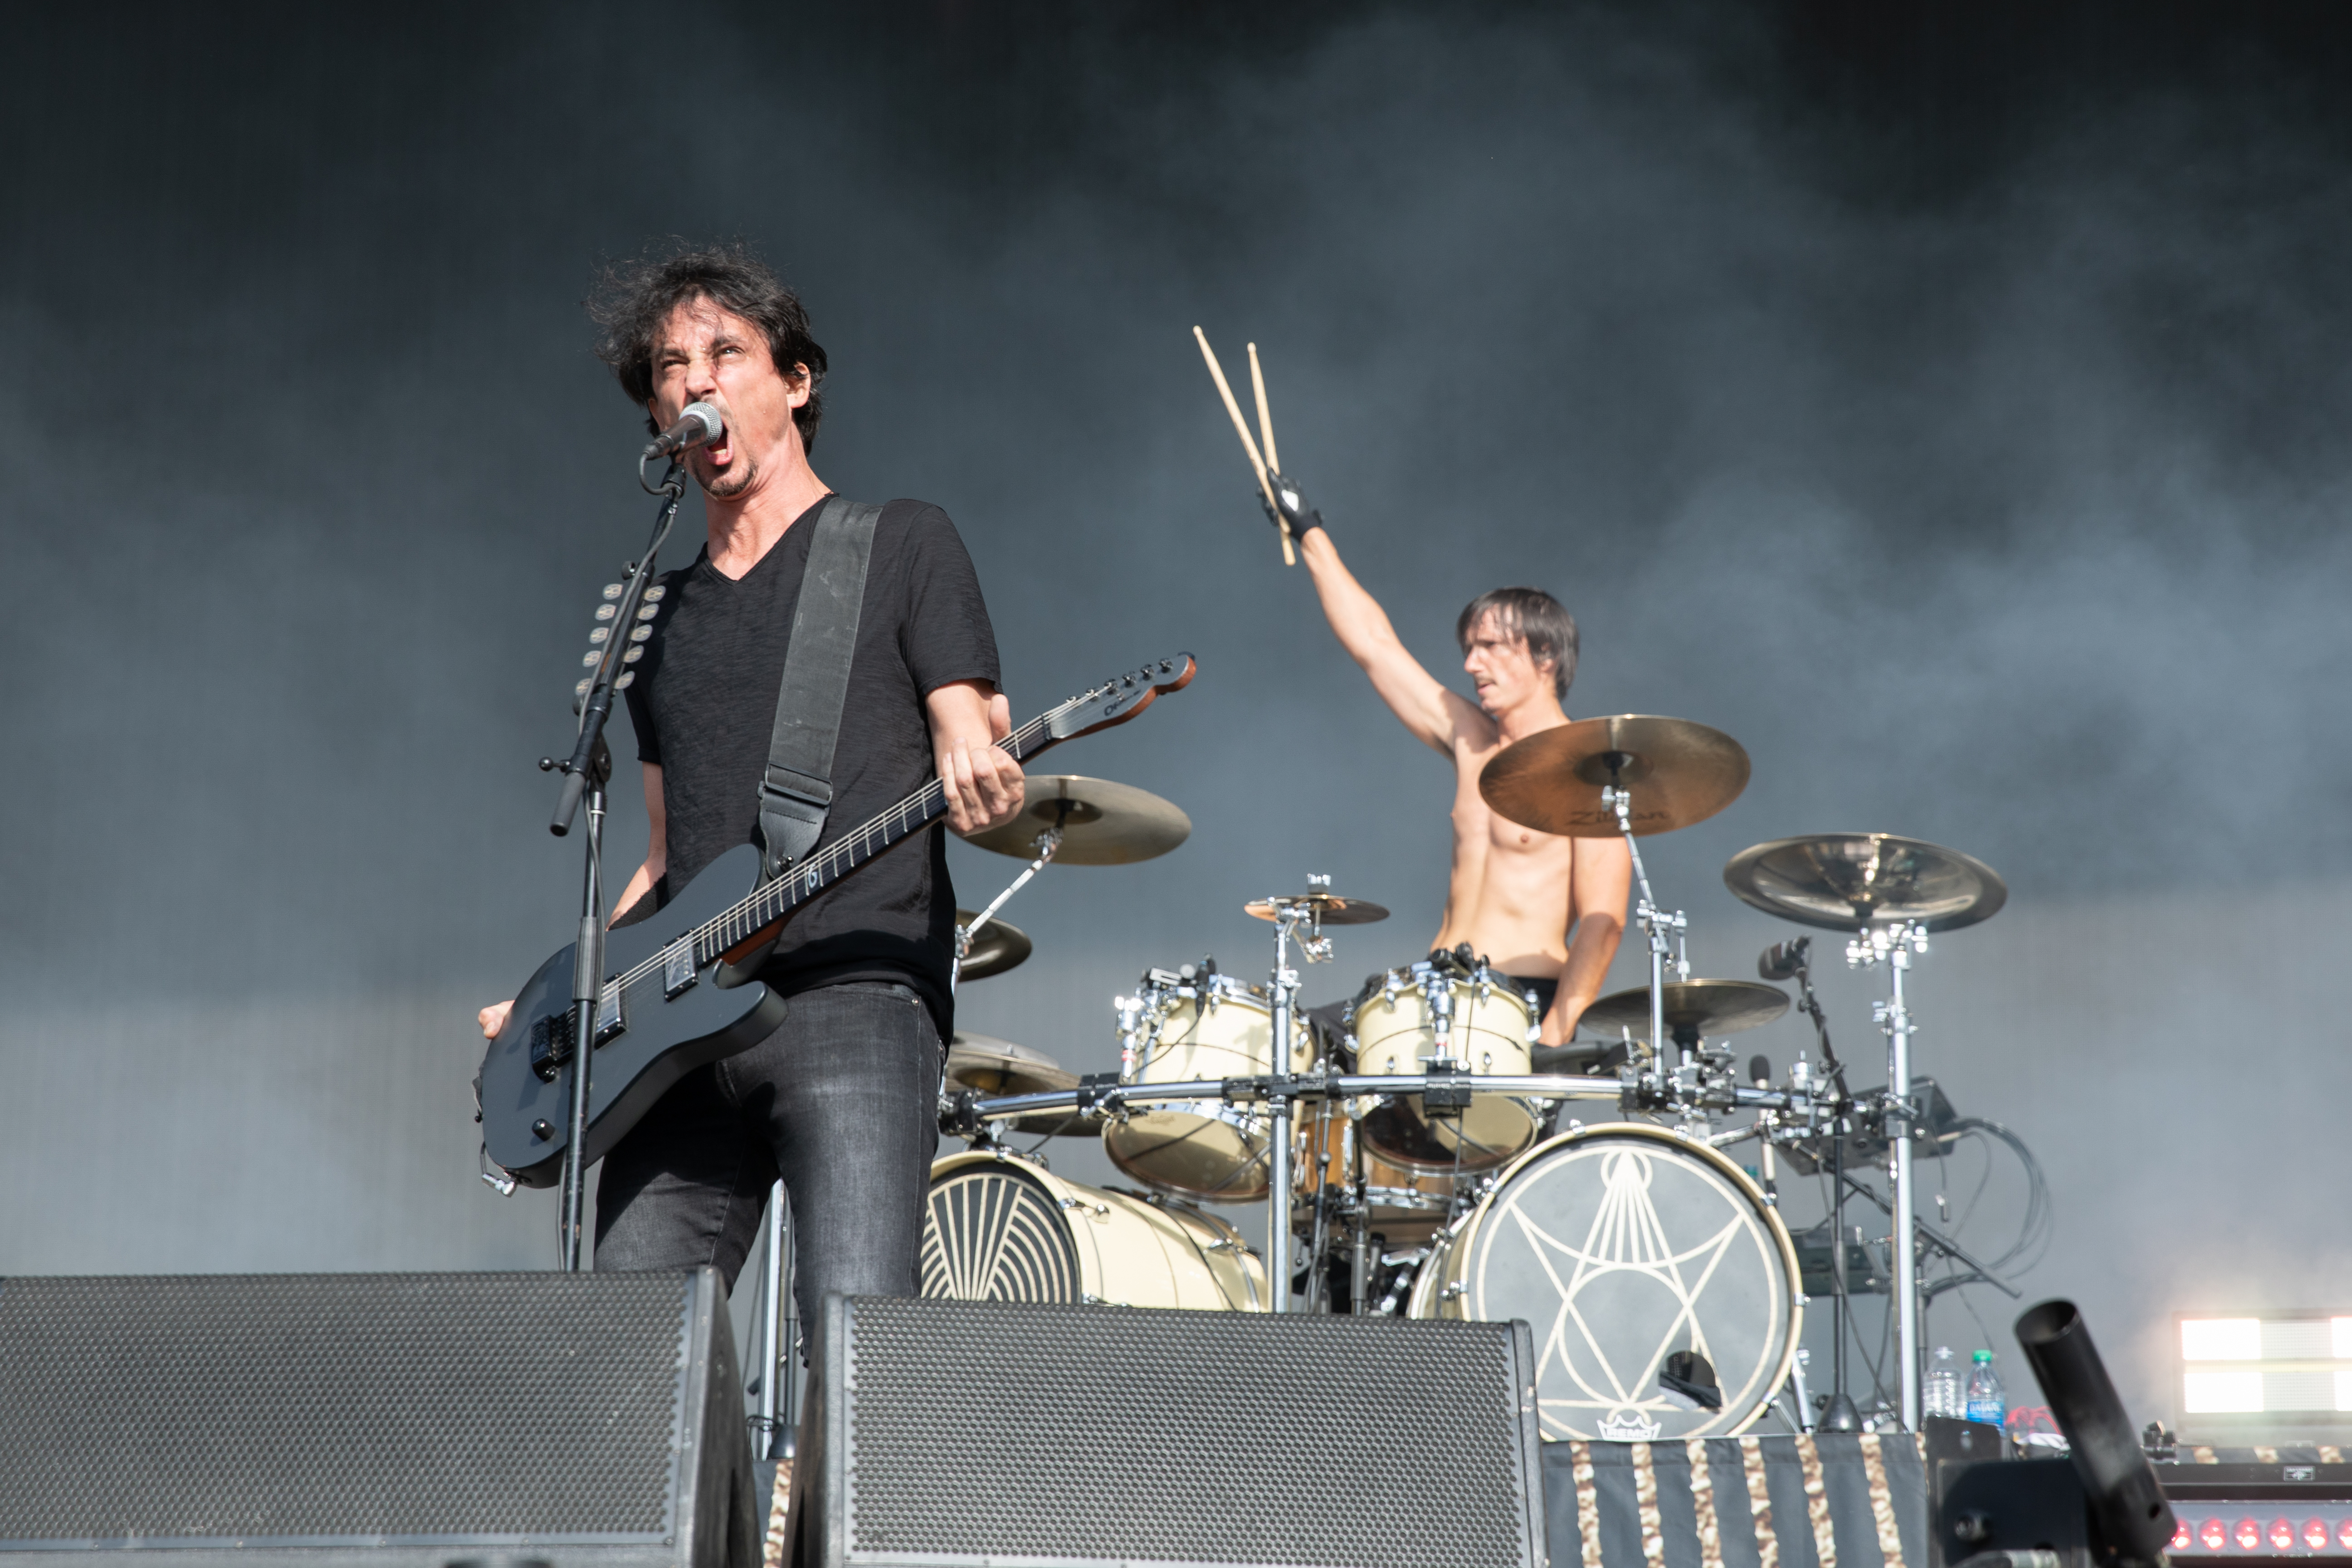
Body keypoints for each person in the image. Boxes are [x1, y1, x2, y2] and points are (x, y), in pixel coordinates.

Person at [477, 244, 1024, 1331]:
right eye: (671, 366)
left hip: (852, 996)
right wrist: (572, 999)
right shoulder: (656, 611)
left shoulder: (899, 544)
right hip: (680, 1033)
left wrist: (976, 759)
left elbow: (976, 725)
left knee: (859, 1336)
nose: (697, 380)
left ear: (796, 381)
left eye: (727, 352)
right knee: (621, 1360)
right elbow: (665, 853)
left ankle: (844, 1510)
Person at [1260, 472, 1630, 1057]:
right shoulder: (1472, 742)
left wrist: (1554, 1035)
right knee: (1291, 1049)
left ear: (1544, 656)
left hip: (1518, 1001)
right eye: (1467, 649)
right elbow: (1376, 647)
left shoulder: (1587, 770)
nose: (1470, 665)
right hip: (1431, 991)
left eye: (1490, 648)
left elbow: (1603, 920)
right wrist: (1308, 531)